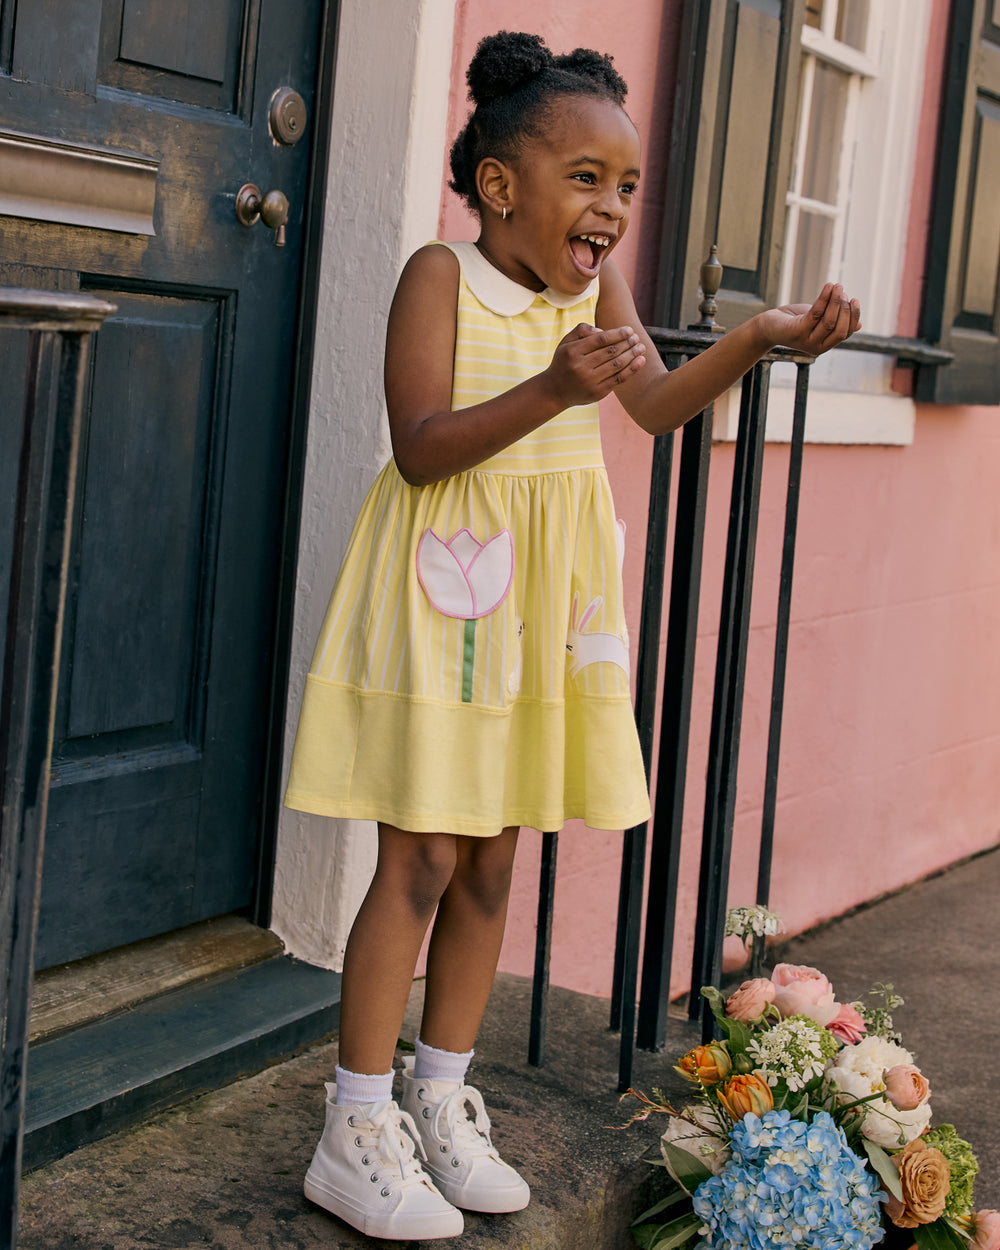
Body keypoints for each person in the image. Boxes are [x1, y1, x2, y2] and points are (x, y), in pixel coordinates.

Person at [285, 29, 861, 1242]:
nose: (611, 210)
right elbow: (421, 445)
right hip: (449, 597)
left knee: (494, 857)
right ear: (501, 186)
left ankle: (440, 1096)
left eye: (627, 188)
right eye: (586, 179)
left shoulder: (596, 292)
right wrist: (552, 387)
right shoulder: (442, 276)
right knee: (423, 857)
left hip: (544, 610)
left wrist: (756, 338)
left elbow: (650, 403)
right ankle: (356, 1121)